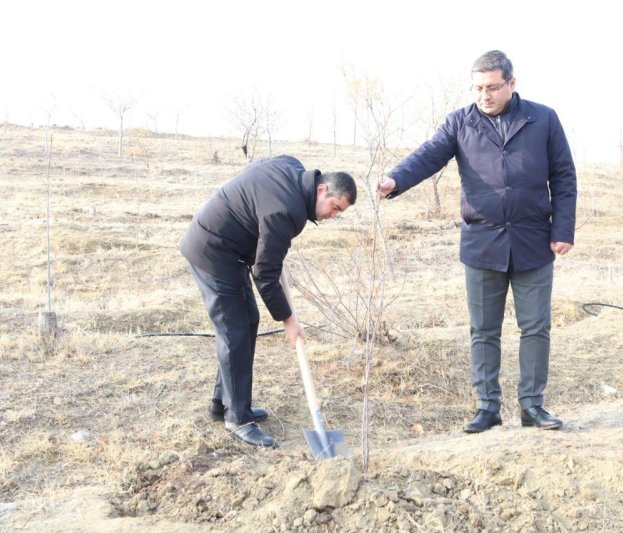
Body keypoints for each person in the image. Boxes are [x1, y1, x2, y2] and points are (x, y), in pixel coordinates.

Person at [378, 50, 576, 433]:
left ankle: (533, 406)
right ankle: (487, 407)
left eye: (492, 87)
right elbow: (428, 155)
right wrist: (395, 179)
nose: (484, 95)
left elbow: (564, 176)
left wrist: (562, 229)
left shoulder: (544, 119)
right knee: (483, 330)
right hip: (482, 243)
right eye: (478, 88)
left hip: (533, 241)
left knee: (535, 327)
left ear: (511, 84)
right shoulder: (460, 122)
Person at [181, 155, 357, 447]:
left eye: (339, 212)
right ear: (322, 189)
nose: (333, 215)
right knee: (233, 328)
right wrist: (289, 320)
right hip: (212, 249)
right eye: (334, 207)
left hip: (231, 248)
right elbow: (265, 272)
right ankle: (237, 419)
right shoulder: (285, 211)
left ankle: (222, 402)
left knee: (248, 321)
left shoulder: (292, 167)